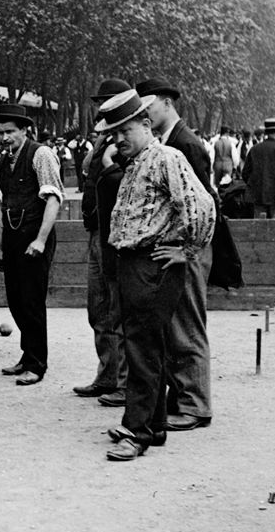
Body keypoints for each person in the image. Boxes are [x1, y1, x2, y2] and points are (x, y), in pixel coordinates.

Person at [99, 89, 214, 462]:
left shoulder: (166, 157)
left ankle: (138, 431)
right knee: (150, 347)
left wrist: (187, 249)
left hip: (153, 264)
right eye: (112, 134)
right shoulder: (137, 161)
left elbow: (202, 204)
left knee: (142, 349)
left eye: (124, 131)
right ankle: (156, 424)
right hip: (135, 263)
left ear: (146, 124)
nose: (117, 140)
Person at [139, 77, 215, 432]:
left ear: (167, 103)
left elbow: (203, 205)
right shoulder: (169, 142)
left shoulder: (187, 144)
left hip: (189, 248)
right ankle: (181, 398)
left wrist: (189, 250)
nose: (145, 113)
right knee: (174, 327)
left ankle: (196, 405)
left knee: (187, 328)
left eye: (148, 106)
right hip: (175, 248)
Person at [0, 103, 63, 386]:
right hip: (12, 237)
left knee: (32, 302)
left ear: (24, 130)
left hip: (34, 237)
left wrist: (41, 240)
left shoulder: (41, 154)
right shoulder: (4, 159)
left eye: (10, 132)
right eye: (0, 133)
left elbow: (54, 199)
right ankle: (26, 356)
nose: (4, 137)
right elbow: (0, 206)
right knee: (17, 301)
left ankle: (37, 364)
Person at [73, 79, 128, 401]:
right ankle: (107, 376)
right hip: (96, 231)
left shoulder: (119, 146)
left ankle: (122, 383)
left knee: (116, 309)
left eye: (106, 104)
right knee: (99, 309)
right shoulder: (102, 142)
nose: (100, 110)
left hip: (113, 236)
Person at [242, 118, 275, 219]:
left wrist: (255, 185)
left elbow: (245, 173)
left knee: (259, 228)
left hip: (258, 195)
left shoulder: (254, 150)